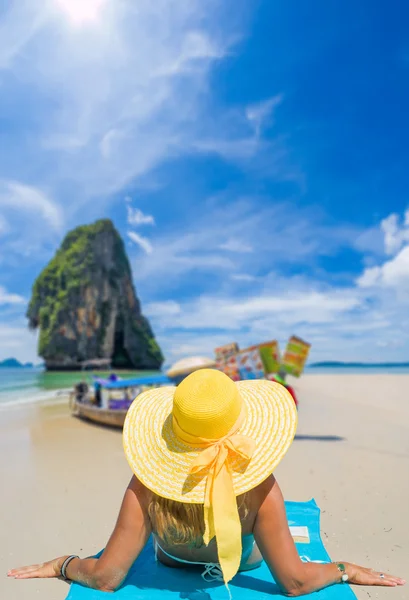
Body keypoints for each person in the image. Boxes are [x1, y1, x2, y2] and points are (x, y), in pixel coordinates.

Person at [8, 370, 405, 596]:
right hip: (243, 566)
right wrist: (343, 569)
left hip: (171, 561)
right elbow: (296, 581)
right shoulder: (260, 488)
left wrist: (62, 564)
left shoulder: (146, 483)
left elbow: (105, 577)